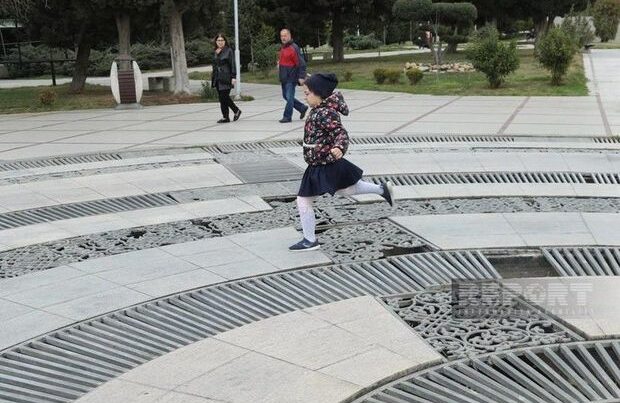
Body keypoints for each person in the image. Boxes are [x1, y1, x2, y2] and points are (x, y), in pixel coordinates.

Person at [289, 73, 394, 252]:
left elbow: (340, 133)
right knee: (346, 189)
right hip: (319, 162)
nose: (305, 97)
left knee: (304, 200)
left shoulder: (326, 112)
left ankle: (310, 240)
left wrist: (339, 147)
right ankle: (381, 189)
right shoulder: (319, 110)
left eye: (307, 94)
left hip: (324, 162)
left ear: (319, 93)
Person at [278, 28, 308, 123]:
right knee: (285, 96)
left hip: (291, 77)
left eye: (285, 35)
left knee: (289, 97)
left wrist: (301, 76)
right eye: (282, 36)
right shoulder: (283, 47)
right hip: (284, 77)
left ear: (289, 36)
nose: (283, 37)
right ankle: (302, 107)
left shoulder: (293, 47)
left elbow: (301, 63)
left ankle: (287, 116)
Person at [211, 34, 241, 123]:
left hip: (226, 77)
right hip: (217, 77)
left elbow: (233, 64)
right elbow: (214, 64)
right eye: (218, 40)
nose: (220, 42)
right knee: (221, 98)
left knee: (224, 97)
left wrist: (233, 76)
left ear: (225, 41)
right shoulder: (215, 51)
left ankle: (236, 110)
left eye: (222, 40)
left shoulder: (229, 51)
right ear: (216, 42)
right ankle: (225, 117)